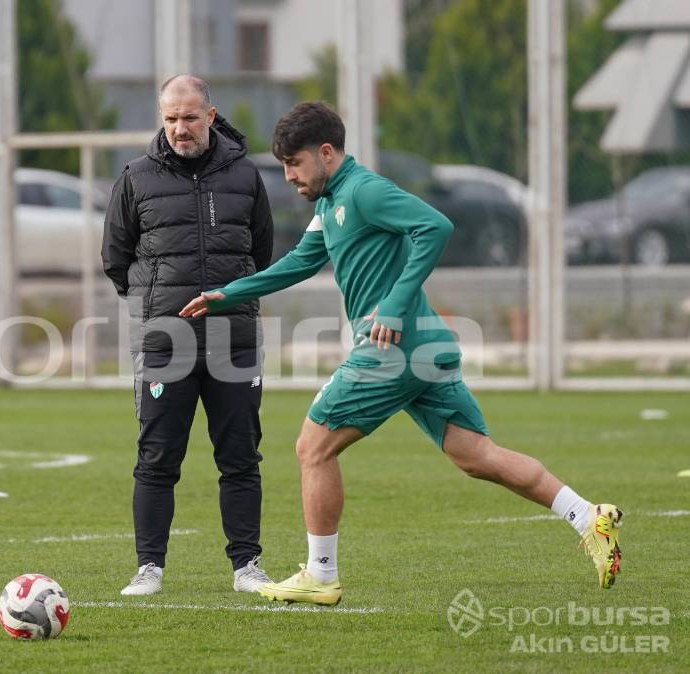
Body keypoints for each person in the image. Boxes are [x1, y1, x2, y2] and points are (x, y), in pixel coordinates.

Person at [180, 101, 622, 606]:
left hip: (394, 347)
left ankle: (321, 576)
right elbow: (301, 262)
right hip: (425, 348)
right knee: (475, 456)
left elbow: (435, 227)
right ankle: (588, 516)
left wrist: (391, 305)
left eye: (295, 164)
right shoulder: (329, 203)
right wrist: (229, 293)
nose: (289, 177)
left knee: (312, 446)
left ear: (326, 153)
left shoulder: (363, 191)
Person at [102, 75, 275, 596]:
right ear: (162, 118)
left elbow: (261, 255)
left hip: (234, 341)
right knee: (157, 457)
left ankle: (246, 566)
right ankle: (149, 568)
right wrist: (158, 306)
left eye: (190, 117)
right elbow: (116, 259)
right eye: (171, 118)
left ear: (211, 115)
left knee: (241, 457)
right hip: (165, 344)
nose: (181, 128)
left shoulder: (246, 176)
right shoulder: (135, 177)